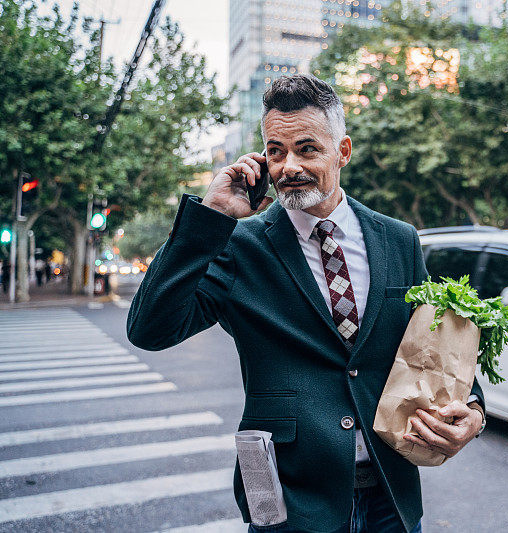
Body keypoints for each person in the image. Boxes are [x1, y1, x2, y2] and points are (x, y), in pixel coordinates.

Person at [126, 74, 486, 533]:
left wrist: (473, 410)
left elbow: (434, 345)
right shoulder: (238, 245)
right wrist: (210, 217)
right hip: (287, 496)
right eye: (275, 151)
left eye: (307, 149)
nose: (287, 166)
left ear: (343, 152)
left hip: (391, 491)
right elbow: (149, 330)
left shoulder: (398, 240)